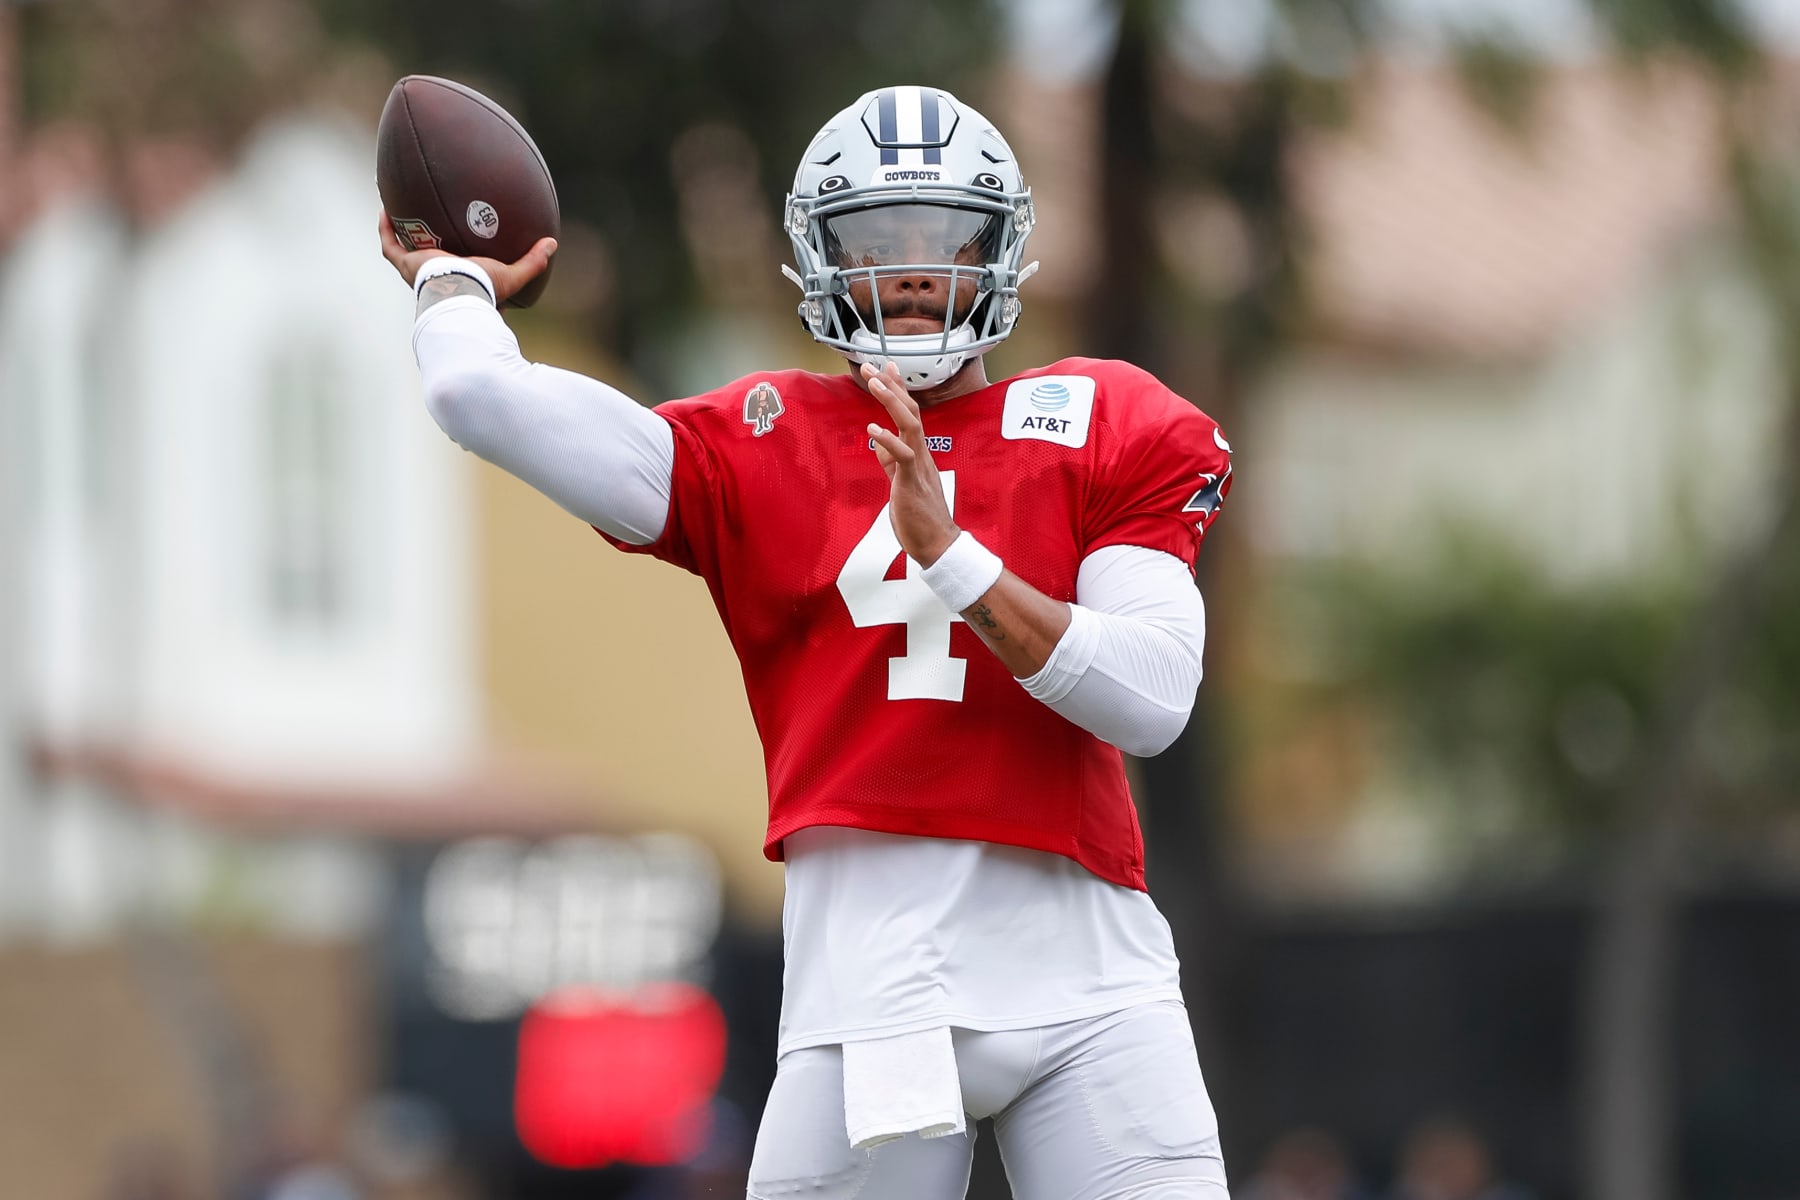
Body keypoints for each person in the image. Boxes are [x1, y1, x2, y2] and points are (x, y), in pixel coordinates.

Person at [380, 84, 1233, 1200]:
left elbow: (1154, 697)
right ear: (817, 259)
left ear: (1003, 248)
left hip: (1091, 991)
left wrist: (955, 557)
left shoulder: (1107, 420)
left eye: (944, 238)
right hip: (873, 1002)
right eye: (879, 242)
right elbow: (475, 393)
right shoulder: (753, 443)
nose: (916, 273)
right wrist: (451, 273)